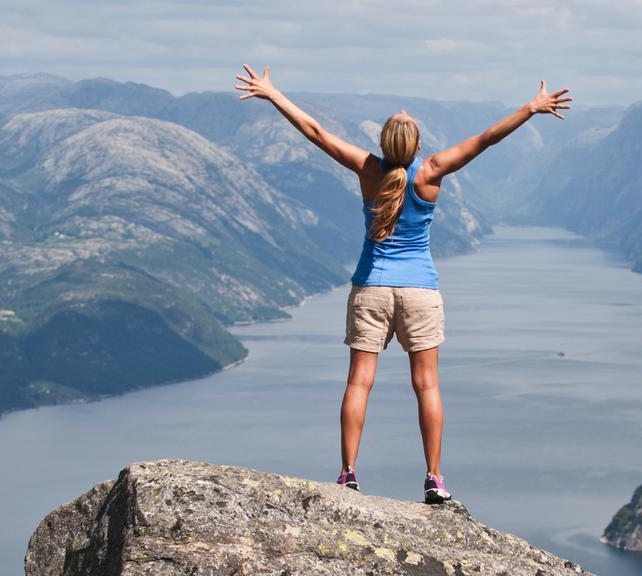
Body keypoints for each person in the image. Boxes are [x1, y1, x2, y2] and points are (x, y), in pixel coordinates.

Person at [235, 64, 571, 503]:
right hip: (419, 293)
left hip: (371, 288)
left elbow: (315, 133)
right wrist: (531, 107)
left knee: (359, 383)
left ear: (383, 144)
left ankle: (348, 473)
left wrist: (273, 94)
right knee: (427, 385)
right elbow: (488, 139)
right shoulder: (430, 172)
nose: (406, 111)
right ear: (414, 145)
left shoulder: (367, 170)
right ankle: (433, 477)